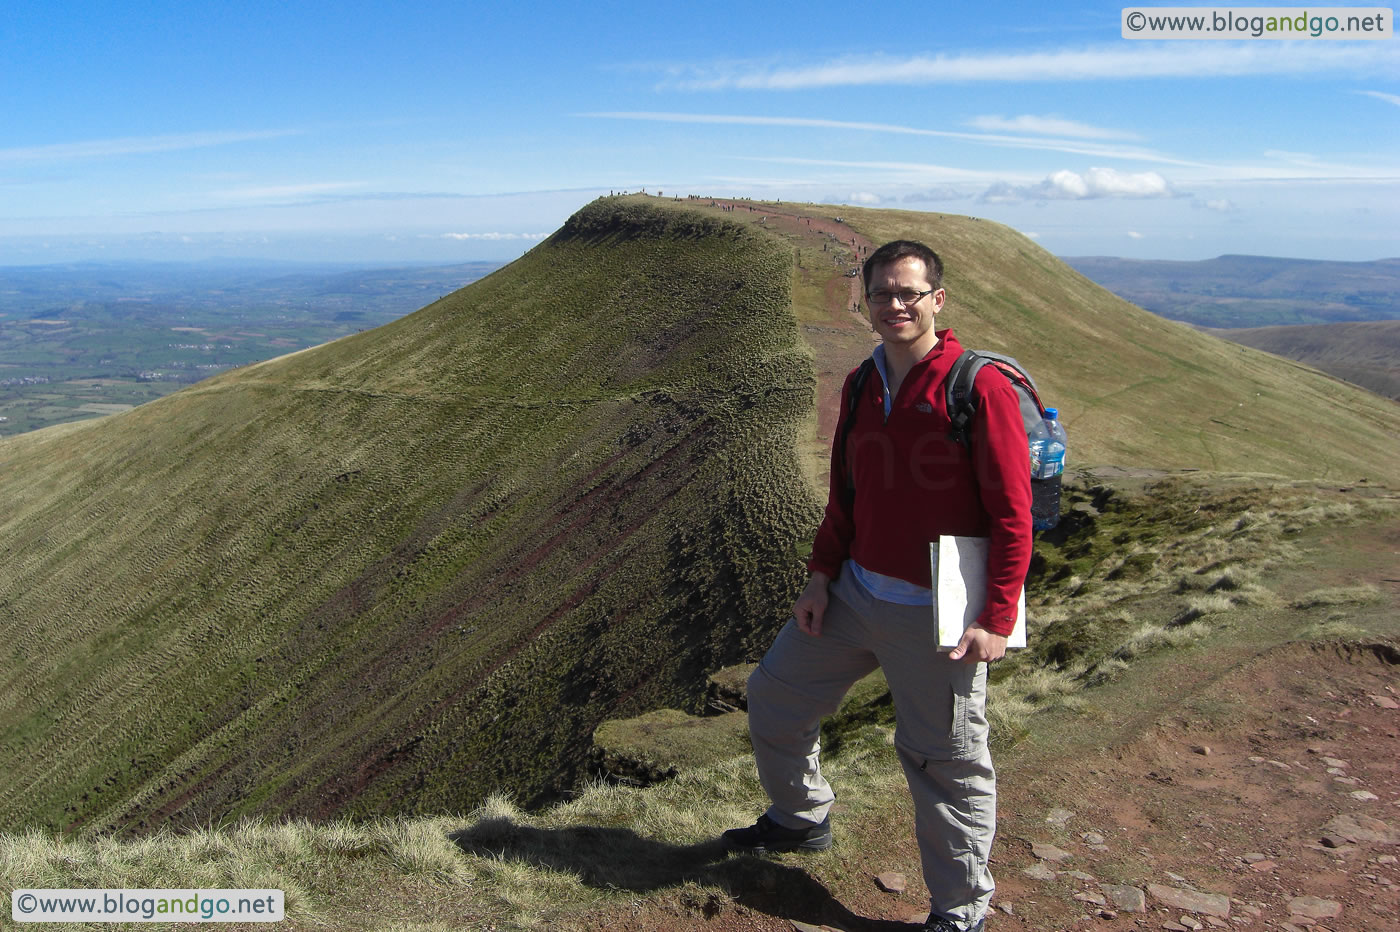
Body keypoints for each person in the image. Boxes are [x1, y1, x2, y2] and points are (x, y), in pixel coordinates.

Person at [724, 240, 1033, 932]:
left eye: (908, 293)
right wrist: (820, 576)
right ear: (866, 303)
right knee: (774, 696)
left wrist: (996, 618)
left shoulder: (977, 387)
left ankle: (959, 911)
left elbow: (1013, 514)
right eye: (882, 294)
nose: (895, 305)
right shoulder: (864, 383)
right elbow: (847, 495)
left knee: (943, 761)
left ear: (937, 301)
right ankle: (800, 820)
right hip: (855, 594)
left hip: (937, 616)